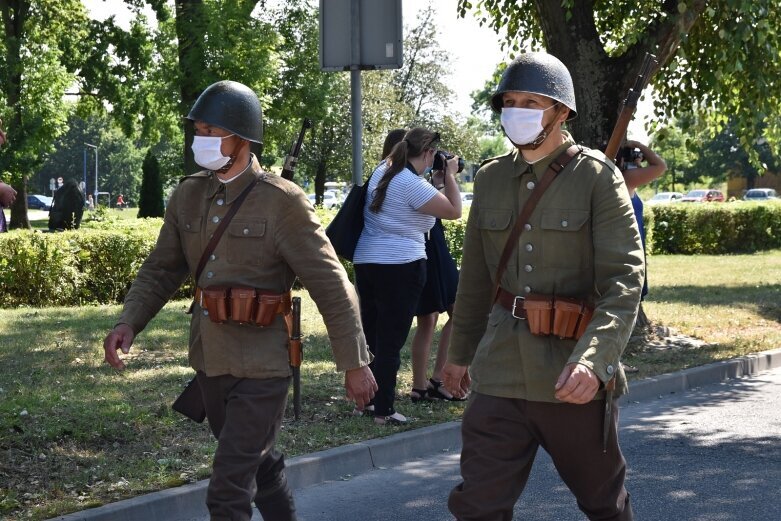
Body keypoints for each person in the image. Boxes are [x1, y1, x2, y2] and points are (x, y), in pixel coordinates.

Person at [102, 80, 376, 521]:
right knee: (259, 466)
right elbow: (162, 268)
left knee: (228, 490)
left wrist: (355, 361)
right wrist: (128, 322)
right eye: (199, 130)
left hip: (264, 367)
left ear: (243, 139)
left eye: (213, 131)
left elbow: (330, 282)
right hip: (211, 360)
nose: (201, 140)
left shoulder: (283, 202)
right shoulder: (188, 194)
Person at [443, 52, 644, 520]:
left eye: (531, 101)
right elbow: (475, 280)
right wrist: (458, 356)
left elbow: (623, 282)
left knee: (603, 504)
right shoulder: (491, 178)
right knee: (477, 506)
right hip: (499, 370)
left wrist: (593, 363)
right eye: (510, 101)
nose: (517, 111)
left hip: (569, 373)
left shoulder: (597, 177)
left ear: (561, 112)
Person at [352, 127, 462, 425]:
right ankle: (383, 410)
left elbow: (415, 201)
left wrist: (437, 181)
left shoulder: (384, 172)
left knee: (373, 337)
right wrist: (449, 175)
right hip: (400, 266)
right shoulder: (410, 182)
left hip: (367, 261)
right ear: (427, 153)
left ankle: (366, 402)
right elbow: (454, 211)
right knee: (390, 340)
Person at [616, 140, 666, 302]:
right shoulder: (627, 178)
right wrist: (640, 146)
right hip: (630, 244)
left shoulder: (622, 178)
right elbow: (660, 166)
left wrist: (636, 162)